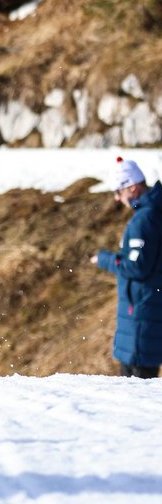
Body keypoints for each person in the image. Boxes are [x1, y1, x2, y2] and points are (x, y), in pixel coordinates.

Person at [90, 157, 162, 379]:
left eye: (119, 191)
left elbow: (137, 267)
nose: (116, 198)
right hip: (144, 313)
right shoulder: (151, 213)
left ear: (133, 187)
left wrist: (103, 259)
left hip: (142, 316)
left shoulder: (145, 218)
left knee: (135, 388)